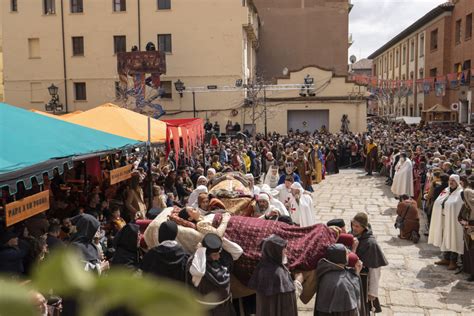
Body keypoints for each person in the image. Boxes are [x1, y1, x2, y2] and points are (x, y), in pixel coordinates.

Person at [248, 234, 303, 316]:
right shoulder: (278, 273)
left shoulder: (261, 268)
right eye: (283, 248)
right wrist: (298, 282)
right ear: (274, 251)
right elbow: (288, 302)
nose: (286, 251)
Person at [188, 233, 237, 315]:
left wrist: (221, 240)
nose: (218, 257)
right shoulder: (197, 265)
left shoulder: (224, 259)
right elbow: (199, 272)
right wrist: (201, 251)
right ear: (206, 253)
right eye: (214, 254)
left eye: (219, 253)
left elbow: (238, 251)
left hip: (224, 308)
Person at [351, 212, 388, 315]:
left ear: (364, 227)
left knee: (363, 309)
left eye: (357, 226)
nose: (354, 228)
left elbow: (375, 270)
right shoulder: (352, 235)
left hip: (363, 282)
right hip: (352, 279)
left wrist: (372, 291)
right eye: (353, 225)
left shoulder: (371, 244)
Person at [314, 244, 364, 316]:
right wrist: (357, 274)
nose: (348, 256)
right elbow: (353, 294)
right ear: (341, 257)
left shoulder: (324, 271)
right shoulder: (343, 282)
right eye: (347, 254)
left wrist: (356, 272)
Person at [428, 174, 465, 270]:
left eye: (453, 180)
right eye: (450, 180)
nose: (451, 182)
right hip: (444, 218)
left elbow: (458, 207)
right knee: (445, 237)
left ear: (457, 181)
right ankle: (446, 258)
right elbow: (438, 201)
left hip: (454, 221)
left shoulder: (460, 193)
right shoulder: (446, 190)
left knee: (453, 238)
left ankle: (453, 261)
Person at [459, 175, 474, 281]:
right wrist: (465, 223)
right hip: (468, 233)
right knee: (470, 253)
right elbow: (459, 217)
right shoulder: (465, 206)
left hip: (471, 231)